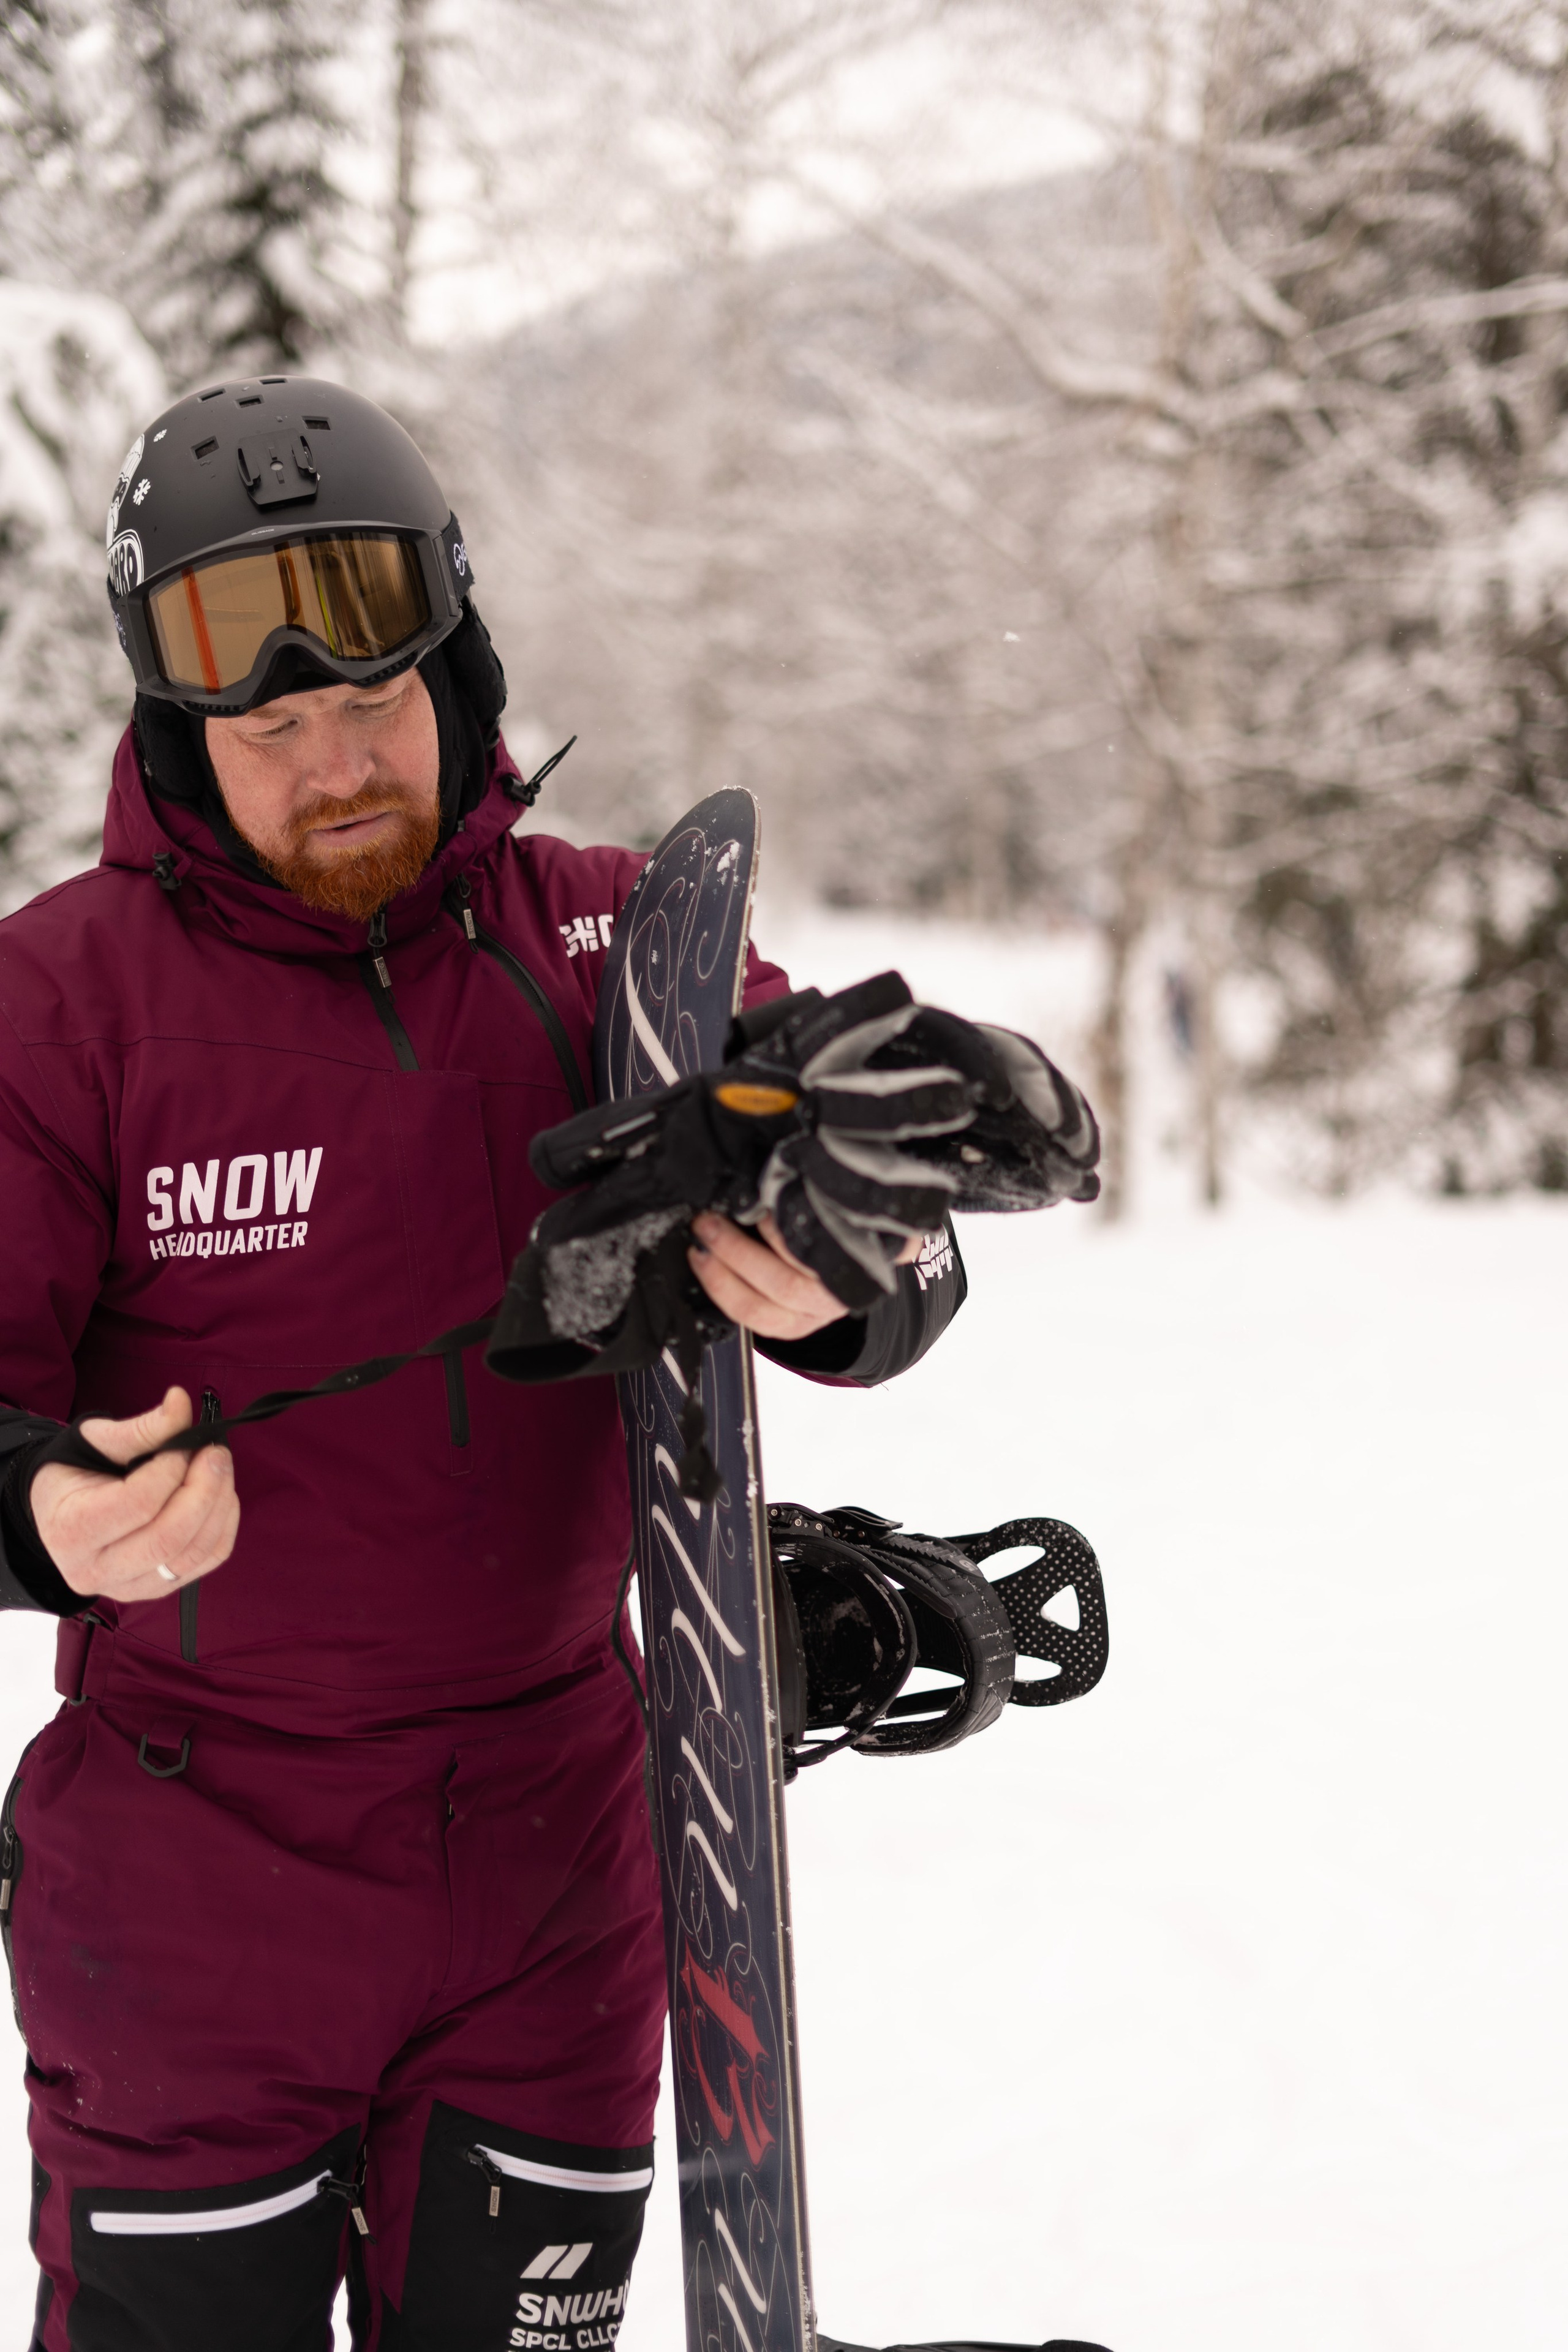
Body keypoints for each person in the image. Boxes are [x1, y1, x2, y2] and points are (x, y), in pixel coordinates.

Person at [0, 379, 967, 2351]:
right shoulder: (61, 1005)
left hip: (559, 1886)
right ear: (180, 734)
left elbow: (869, 1184)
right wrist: (44, 1507)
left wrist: (843, 1270)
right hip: (192, 1896)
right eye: (271, 731)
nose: (338, 765)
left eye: (375, 701)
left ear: (458, 667)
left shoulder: (623, 948)